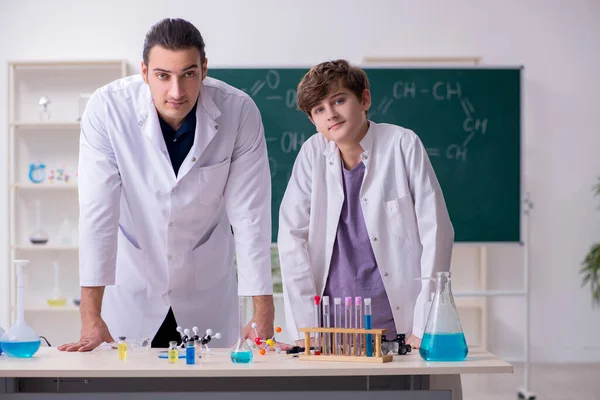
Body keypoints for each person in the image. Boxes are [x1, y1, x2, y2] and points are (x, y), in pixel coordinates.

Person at [58, 18, 275, 352]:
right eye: (163, 76)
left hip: (207, 289)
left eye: (188, 74)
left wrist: (263, 312)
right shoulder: (107, 109)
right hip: (133, 287)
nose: (176, 91)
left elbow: (251, 216)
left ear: (204, 69)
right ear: (144, 72)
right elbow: (97, 212)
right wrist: (90, 316)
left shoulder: (239, 111)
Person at [278, 60, 461, 398]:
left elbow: (437, 232)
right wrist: (307, 327)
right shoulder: (311, 155)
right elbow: (291, 239)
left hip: (399, 327)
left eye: (338, 100)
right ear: (312, 120)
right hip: (331, 329)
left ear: (364, 100)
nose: (330, 114)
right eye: (318, 109)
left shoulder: (402, 145)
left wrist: (423, 324)